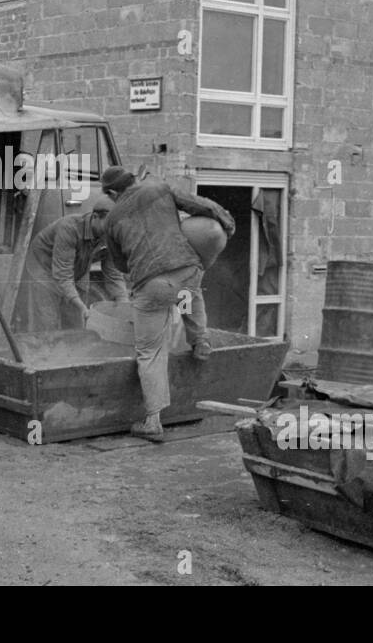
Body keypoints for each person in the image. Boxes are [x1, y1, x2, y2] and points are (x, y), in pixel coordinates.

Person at [100, 166, 235, 442]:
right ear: (133, 180)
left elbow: (120, 263)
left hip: (150, 286)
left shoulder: (111, 220)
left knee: (150, 351)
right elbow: (201, 205)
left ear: (113, 192)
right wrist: (227, 223)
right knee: (189, 292)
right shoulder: (159, 187)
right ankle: (200, 340)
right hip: (186, 269)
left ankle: (152, 421)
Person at [16, 195, 129, 331]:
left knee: (76, 324)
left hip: (77, 266)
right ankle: (46, 349)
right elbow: (63, 275)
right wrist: (82, 306)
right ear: (95, 217)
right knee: (47, 324)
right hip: (44, 268)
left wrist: (125, 309)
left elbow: (114, 275)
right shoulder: (69, 228)